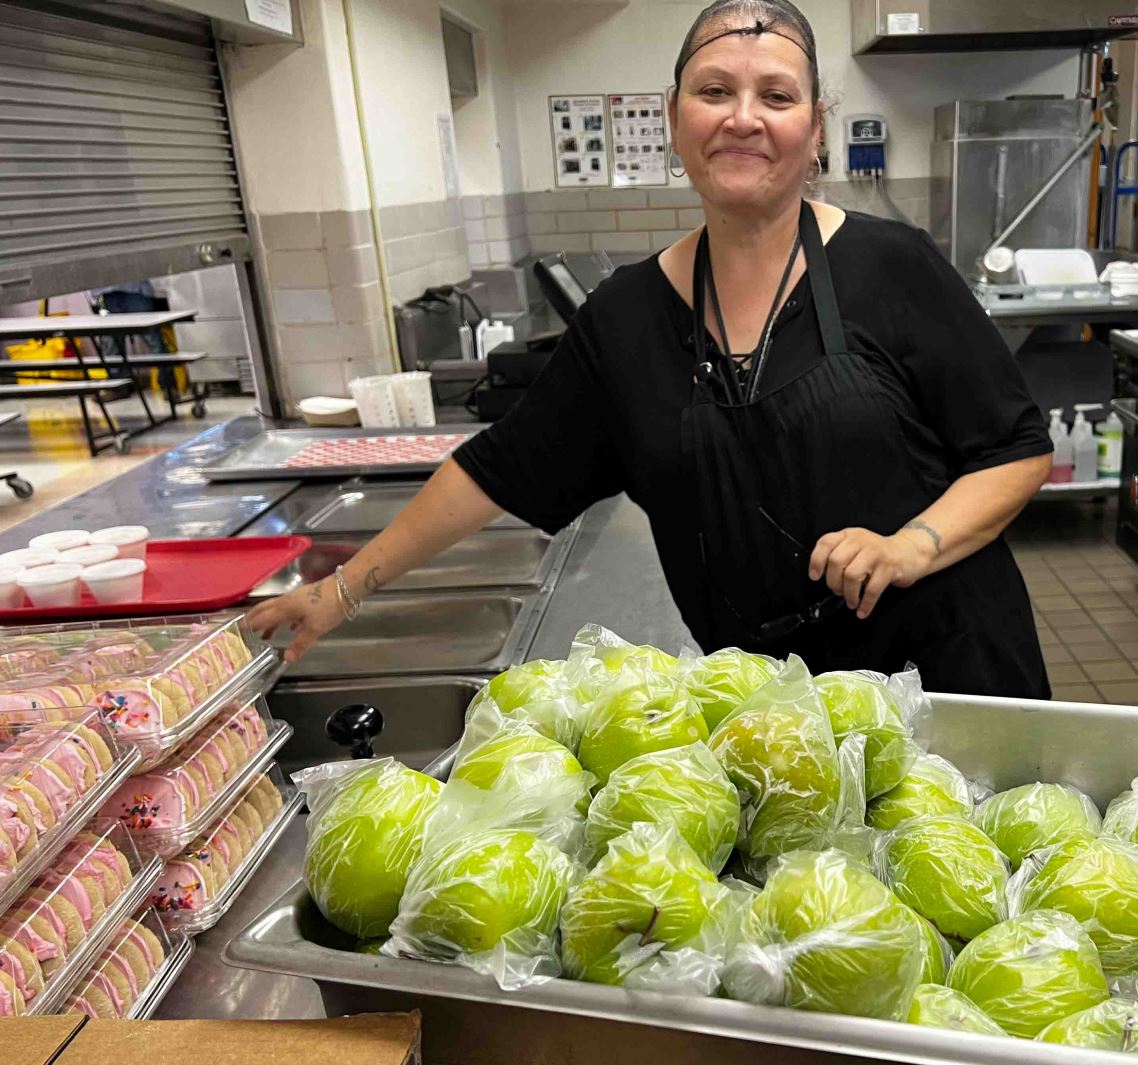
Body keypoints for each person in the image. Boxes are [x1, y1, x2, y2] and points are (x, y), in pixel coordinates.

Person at [247, 0, 1053, 697]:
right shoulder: (627, 317)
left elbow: (1017, 449)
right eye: (714, 91)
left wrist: (913, 543)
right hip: (781, 718)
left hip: (953, 679)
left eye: (776, 95)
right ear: (674, 121)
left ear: (814, 133)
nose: (744, 116)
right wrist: (341, 589)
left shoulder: (893, 265)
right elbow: (500, 466)